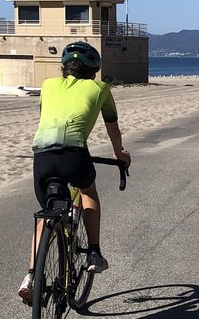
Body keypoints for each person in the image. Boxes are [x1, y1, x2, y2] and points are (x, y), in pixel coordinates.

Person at [17, 41, 130, 304]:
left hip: (42, 156)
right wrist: (120, 155)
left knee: (46, 213)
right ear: (94, 70)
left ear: (63, 68)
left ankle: (31, 276)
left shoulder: (47, 86)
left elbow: (49, 116)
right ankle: (93, 252)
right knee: (88, 191)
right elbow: (112, 127)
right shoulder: (101, 88)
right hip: (74, 155)